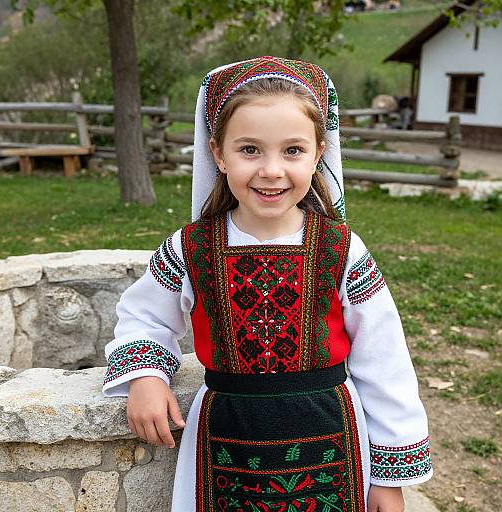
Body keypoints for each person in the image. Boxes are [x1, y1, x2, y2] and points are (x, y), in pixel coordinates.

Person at [102, 56, 432, 512]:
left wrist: (389, 480)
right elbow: (144, 316)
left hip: (331, 441)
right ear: (218, 153)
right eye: (250, 150)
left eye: (292, 150)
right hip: (224, 441)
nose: (272, 170)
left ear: (319, 152)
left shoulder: (341, 250)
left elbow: (385, 363)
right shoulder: (190, 248)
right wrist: (145, 376)